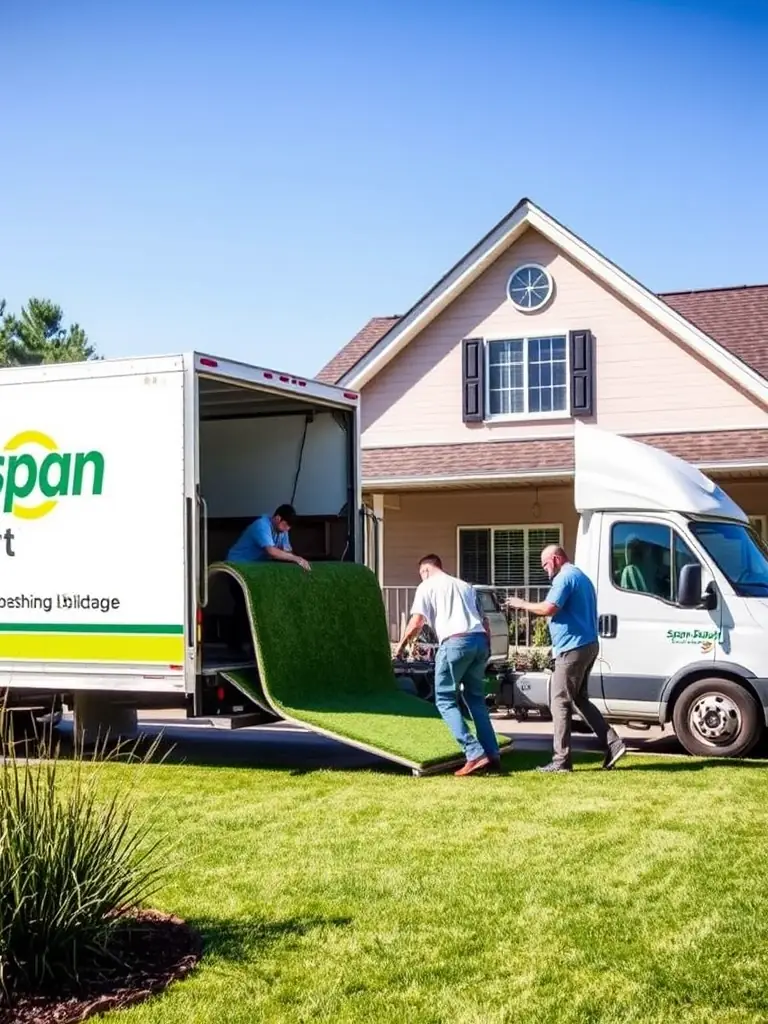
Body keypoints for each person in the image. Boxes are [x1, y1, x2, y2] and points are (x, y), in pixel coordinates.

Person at [506, 545, 626, 773]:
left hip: (572, 648)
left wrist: (522, 604)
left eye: (545, 564)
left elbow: (549, 608)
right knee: (579, 699)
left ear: (556, 558)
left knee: (559, 701)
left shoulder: (564, 578)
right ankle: (613, 742)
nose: (544, 569)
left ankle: (561, 761)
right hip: (587, 644)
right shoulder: (580, 576)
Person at [394, 554, 501, 777]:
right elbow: (484, 622)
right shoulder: (465, 586)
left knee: (444, 699)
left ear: (425, 570)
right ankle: (492, 752)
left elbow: (416, 622)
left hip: (455, 642)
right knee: (475, 699)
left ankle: (474, 753)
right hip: (479, 641)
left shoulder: (427, 586)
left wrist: (401, 646)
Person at [227, 504, 311, 571]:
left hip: (255, 567)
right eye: (285, 525)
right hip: (237, 565)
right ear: (278, 518)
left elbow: (288, 551)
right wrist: (296, 559)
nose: (286, 530)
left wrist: (299, 562)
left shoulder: (283, 531)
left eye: (289, 527)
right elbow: (271, 551)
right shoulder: (261, 525)